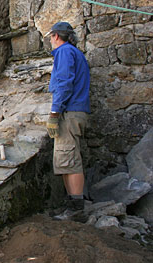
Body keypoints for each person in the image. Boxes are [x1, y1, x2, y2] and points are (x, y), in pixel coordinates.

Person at [45, 22, 90, 221]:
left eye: (50, 37)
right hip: (75, 111)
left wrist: (55, 113)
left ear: (56, 36)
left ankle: (77, 209)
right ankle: (72, 204)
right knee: (66, 159)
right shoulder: (74, 53)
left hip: (69, 113)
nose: (49, 41)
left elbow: (64, 83)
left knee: (69, 159)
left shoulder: (64, 52)